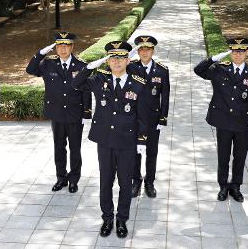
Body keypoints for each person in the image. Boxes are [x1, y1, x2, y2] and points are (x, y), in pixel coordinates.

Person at [72, 41, 149, 239]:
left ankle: (122, 219)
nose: (116, 62)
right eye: (112, 58)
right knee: (105, 181)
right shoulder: (99, 79)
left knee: (125, 183)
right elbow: (76, 84)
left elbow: (143, 115)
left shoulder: (138, 84)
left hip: (127, 142)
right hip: (105, 140)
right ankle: (107, 218)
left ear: (128, 60)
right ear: (108, 60)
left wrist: (141, 141)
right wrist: (90, 66)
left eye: (121, 58)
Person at [194, 38, 248, 202]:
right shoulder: (219, 69)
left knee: (240, 156)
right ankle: (223, 186)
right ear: (230, 53)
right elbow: (198, 70)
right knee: (223, 156)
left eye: (241, 52)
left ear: (247, 53)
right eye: (234, 51)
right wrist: (215, 58)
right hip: (223, 121)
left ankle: (236, 186)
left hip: (242, 122)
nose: (237, 55)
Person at [26, 31, 91, 193]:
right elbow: (30, 69)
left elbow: (86, 90)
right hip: (56, 114)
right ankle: (61, 178)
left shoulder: (81, 65)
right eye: (59, 46)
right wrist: (41, 53)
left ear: (72, 47)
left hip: (75, 114)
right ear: (55, 48)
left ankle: (74, 179)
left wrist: (87, 113)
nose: (63, 49)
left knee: (75, 149)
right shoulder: (48, 64)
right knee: (59, 147)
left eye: (66, 45)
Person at [128, 35, 170, 198]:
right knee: (134, 151)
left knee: (152, 151)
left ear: (153, 50)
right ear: (137, 51)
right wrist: (127, 57)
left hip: (153, 118)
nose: (145, 52)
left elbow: (165, 96)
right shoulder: (130, 67)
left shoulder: (162, 70)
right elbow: (110, 69)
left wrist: (163, 118)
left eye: (148, 49)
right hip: (134, 117)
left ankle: (149, 181)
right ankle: (136, 180)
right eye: (141, 49)